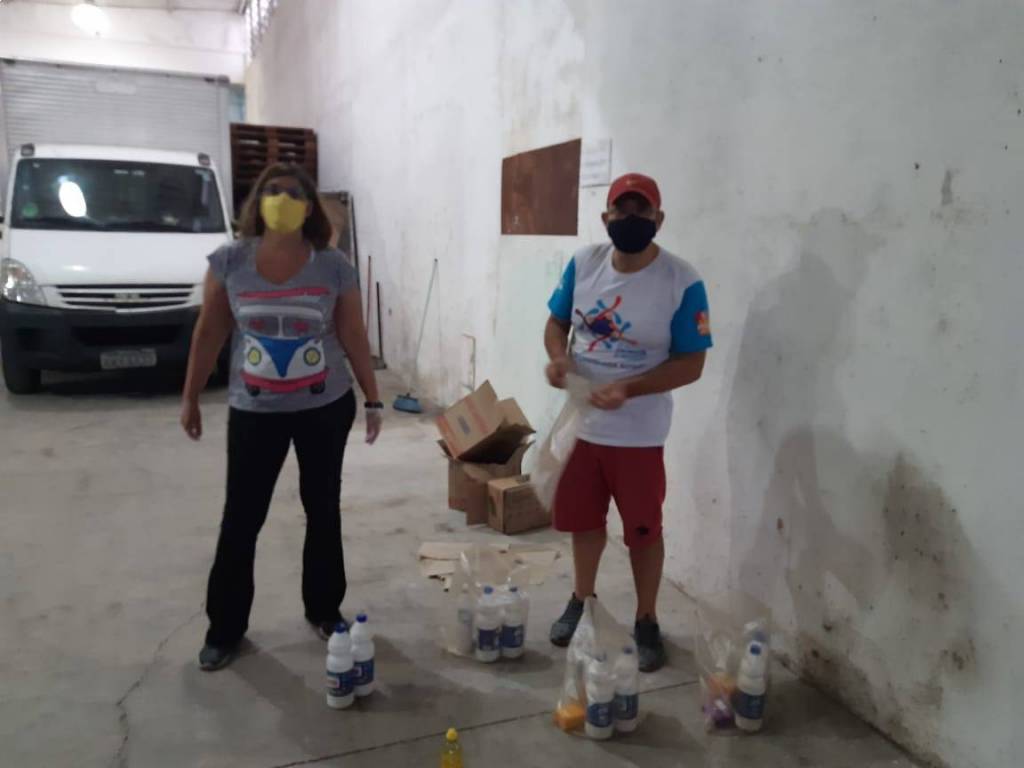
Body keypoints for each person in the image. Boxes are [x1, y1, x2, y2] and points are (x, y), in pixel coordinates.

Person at [180, 163, 382, 671]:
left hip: (324, 406)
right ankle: (225, 629)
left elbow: (354, 334)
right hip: (255, 412)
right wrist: (190, 396)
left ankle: (324, 608)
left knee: (323, 507)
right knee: (242, 516)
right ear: (257, 201)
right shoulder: (230, 261)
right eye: (273, 191)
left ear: (310, 206)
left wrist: (374, 398)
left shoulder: (332, 265)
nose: (283, 200)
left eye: (294, 193)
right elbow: (209, 332)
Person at [544, 173, 712, 672]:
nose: (632, 219)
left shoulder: (681, 282)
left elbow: (692, 363)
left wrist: (629, 389)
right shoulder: (584, 264)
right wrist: (559, 359)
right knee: (584, 522)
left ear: (659, 220)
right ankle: (582, 600)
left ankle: (646, 618)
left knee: (642, 529)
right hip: (582, 425)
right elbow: (556, 323)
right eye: (623, 210)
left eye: (643, 212)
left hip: (639, 435)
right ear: (606, 217)